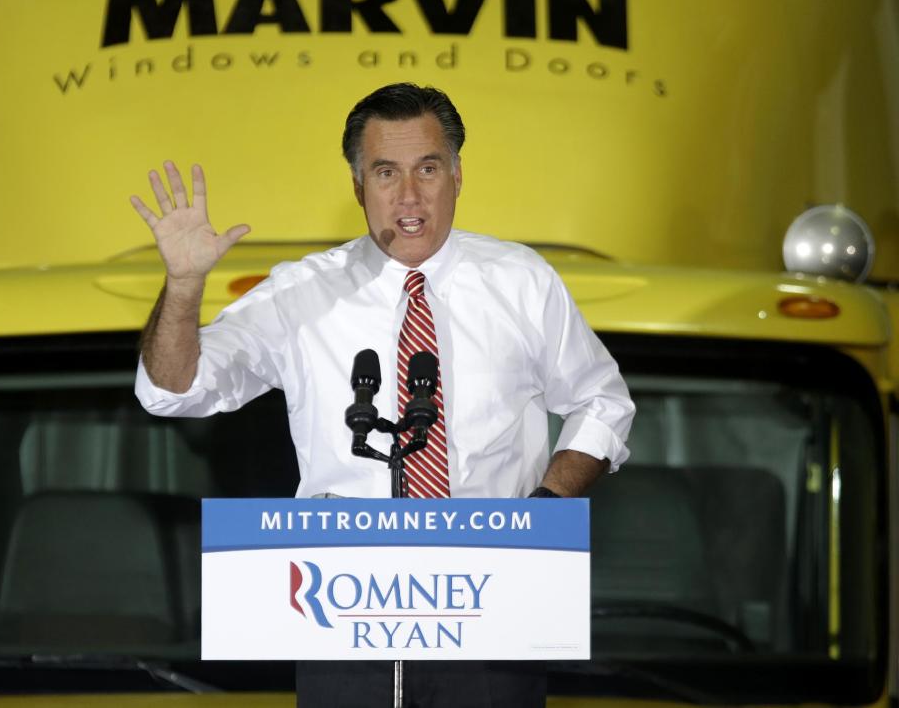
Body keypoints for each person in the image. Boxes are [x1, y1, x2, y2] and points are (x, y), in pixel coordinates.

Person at [131, 83, 635, 707]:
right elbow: (172, 392)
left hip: (494, 620)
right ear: (357, 187)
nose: (409, 197)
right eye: (385, 173)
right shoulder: (301, 294)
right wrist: (183, 286)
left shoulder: (522, 282)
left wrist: (548, 504)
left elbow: (604, 403)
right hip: (341, 628)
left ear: (456, 174)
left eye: (427, 169)